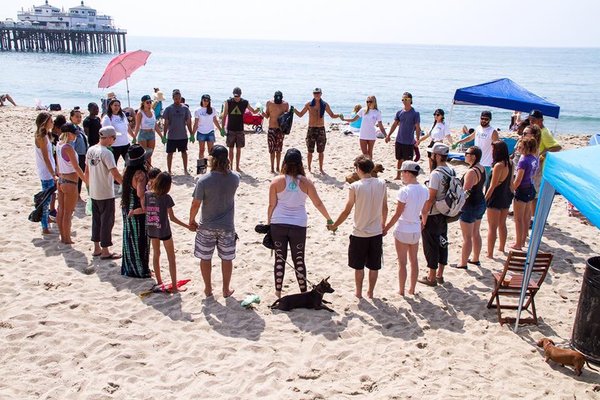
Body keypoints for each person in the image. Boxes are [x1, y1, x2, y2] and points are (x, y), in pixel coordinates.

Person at [268, 148, 334, 299]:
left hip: (278, 223)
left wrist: (268, 224)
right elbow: (318, 203)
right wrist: (329, 219)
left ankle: (278, 292)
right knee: (299, 259)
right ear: (300, 164)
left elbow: (271, 205)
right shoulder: (306, 182)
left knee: (280, 259)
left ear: (284, 163)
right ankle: (303, 291)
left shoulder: (276, 181)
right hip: (298, 224)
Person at [329, 155, 387, 298]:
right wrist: (383, 224)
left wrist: (334, 225)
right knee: (374, 266)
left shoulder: (355, 186)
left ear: (359, 169)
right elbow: (385, 207)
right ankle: (370, 292)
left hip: (359, 233)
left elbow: (347, 210)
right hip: (376, 232)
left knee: (359, 266)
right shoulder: (382, 183)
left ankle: (359, 292)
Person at [189, 145, 240, 298]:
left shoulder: (203, 180)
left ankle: (208, 289)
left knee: (205, 258)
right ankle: (225, 289)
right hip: (227, 226)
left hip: (207, 225)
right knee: (226, 258)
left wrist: (191, 220)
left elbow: (195, 204)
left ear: (213, 159)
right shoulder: (235, 178)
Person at [138, 172, 189, 292]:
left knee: (156, 254)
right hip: (164, 230)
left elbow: (145, 210)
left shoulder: (147, 195)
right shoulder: (166, 198)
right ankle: (175, 288)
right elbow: (173, 218)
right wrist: (187, 226)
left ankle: (159, 282)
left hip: (152, 228)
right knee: (171, 258)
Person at [383, 161, 429, 296]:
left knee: (402, 263)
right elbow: (425, 211)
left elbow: (398, 213)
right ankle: (412, 289)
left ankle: (402, 290)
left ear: (408, 173)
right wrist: (423, 224)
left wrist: (386, 228)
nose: (401, 175)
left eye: (402, 172)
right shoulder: (424, 189)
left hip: (403, 228)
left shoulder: (405, 190)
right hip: (415, 229)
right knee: (414, 261)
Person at [85, 126, 123, 259]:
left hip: (94, 191)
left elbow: (87, 171)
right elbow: (115, 173)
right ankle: (105, 250)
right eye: (113, 137)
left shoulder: (91, 150)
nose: (114, 140)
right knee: (107, 221)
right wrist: (126, 184)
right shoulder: (107, 153)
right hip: (105, 192)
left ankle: (96, 248)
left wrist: (88, 186)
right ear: (107, 138)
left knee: (96, 221)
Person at [419, 143, 453, 287]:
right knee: (443, 242)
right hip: (445, 212)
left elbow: (431, 198)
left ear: (437, 156)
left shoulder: (436, 174)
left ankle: (431, 277)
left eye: (431, 155)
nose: (430, 157)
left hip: (434, 213)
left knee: (431, 245)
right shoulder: (451, 170)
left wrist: (423, 216)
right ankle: (440, 274)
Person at [293, 88, 341, 174]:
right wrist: (293, 110)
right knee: (310, 150)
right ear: (313, 94)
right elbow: (300, 115)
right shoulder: (309, 104)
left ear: (321, 94)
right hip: (311, 129)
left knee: (321, 151)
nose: (317, 95)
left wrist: (339, 115)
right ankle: (309, 167)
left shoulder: (325, 105)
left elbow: (332, 115)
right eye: (315, 93)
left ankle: (321, 168)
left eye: (318, 93)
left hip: (321, 129)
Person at [120, 145, 150, 278]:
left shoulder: (127, 171)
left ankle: (130, 267)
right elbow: (140, 193)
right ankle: (140, 269)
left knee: (129, 237)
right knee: (140, 239)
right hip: (137, 209)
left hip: (127, 206)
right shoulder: (140, 175)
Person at [56, 123, 88, 244]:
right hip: (70, 181)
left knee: (61, 210)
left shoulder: (59, 145)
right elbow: (76, 167)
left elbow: (58, 164)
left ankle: (63, 236)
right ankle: (67, 238)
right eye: (74, 134)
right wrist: (85, 181)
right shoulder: (68, 147)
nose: (75, 136)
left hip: (62, 179)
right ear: (69, 134)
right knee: (68, 213)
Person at [455, 146, 486, 269]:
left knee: (467, 237)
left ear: (473, 157)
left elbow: (465, 192)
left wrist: (457, 205)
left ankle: (463, 263)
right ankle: (475, 258)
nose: (464, 155)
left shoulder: (471, 172)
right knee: (476, 233)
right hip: (480, 202)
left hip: (470, 206)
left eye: (466, 153)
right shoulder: (481, 167)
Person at [484, 140, 513, 258]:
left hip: (496, 197)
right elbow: (511, 182)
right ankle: (501, 247)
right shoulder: (510, 163)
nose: (491, 151)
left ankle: (490, 254)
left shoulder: (498, 165)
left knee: (492, 227)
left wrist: (484, 199)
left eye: (493, 149)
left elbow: (493, 185)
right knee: (502, 224)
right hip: (505, 195)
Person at [454, 111, 499, 184]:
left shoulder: (492, 131)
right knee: (474, 184)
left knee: (484, 184)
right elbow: (470, 137)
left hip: (487, 163)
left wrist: (495, 160)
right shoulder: (478, 128)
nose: (483, 120)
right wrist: (459, 141)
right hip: (475, 162)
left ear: (490, 120)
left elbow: (497, 147)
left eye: (486, 119)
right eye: (482, 118)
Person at [385, 92, 421, 180]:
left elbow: (417, 127)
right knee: (399, 159)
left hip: (409, 141)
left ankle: (409, 177)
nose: (404, 101)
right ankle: (398, 176)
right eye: (403, 99)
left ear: (410, 100)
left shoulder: (415, 113)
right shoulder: (399, 112)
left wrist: (418, 139)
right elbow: (394, 124)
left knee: (408, 161)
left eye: (406, 99)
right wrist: (388, 135)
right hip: (399, 140)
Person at [221, 87, 258, 172]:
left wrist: (259, 108)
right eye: (235, 96)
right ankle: (230, 166)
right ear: (233, 94)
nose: (236, 98)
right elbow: (225, 115)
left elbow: (253, 111)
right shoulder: (228, 102)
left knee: (238, 148)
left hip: (240, 129)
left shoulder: (245, 102)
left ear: (240, 95)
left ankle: (237, 166)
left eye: (238, 96)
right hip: (230, 128)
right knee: (230, 148)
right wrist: (222, 128)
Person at [511, 137, 538, 250]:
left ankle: (518, 243)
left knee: (518, 219)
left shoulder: (523, 160)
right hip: (530, 187)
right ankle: (522, 241)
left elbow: (518, 180)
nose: (518, 148)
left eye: (521, 147)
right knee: (526, 217)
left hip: (522, 189)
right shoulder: (533, 158)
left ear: (527, 148)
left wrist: (511, 190)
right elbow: (534, 173)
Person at [34, 112, 57, 235]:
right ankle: (44, 226)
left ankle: (47, 218)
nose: (52, 123)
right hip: (45, 172)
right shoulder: (41, 137)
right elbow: (46, 158)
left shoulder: (47, 135)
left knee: (51, 195)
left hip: (49, 170)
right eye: (51, 121)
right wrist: (53, 173)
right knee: (46, 200)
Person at [163, 89, 194, 175]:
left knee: (184, 152)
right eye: (176, 98)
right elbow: (166, 123)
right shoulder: (168, 109)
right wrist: (164, 135)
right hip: (172, 136)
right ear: (173, 98)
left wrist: (191, 134)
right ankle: (169, 170)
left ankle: (185, 169)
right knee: (170, 153)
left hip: (182, 135)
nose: (177, 100)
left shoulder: (185, 108)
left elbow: (188, 122)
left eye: (179, 98)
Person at [262, 91, 290, 173]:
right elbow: (267, 116)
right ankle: (272, 168)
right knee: (271, 149)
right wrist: (262, 113)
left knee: (279, 149)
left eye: (279, 98)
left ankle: (278, 167)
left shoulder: (285, 104)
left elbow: (287, 118)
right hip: (271, 128)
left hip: (280, 130)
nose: (278, 100)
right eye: (276, 98)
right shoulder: (269, 103)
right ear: (274, 97)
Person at [101, 98, 133, 166]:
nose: (117, 107)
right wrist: (108, 144)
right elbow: (106, 132)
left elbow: (127, 127)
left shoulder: (122, 115)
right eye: (115, 105)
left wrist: (133, 136)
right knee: (113, 164)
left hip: (125, 143)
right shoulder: (107, 117)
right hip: (114, 145)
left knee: (129, 163)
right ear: (111, 106)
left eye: (118, 105)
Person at [192, 94, 223, 163]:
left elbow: (215, 121)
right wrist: (192, 134)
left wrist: (221, 130)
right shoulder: (198, 110)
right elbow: (196, 123)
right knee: (201, 150)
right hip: (201, 132)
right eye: (204, 100)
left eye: (207, 100)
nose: (206, 102)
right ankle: (201, 167)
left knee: (211, 151)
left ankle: (212, 166)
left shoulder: (212, 109)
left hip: (210, 132)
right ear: (202, 100)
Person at [134, 94, 163, 165]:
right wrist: (134, 137)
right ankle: (144, 170)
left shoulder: (152, 111)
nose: (149, 104)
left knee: (150, 154)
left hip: (151, 134)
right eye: (147, 102)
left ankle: (149, 170)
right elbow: (137, 126)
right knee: (144, 154)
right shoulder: (140, 113)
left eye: (150, 102)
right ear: (143, 103)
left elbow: (155, 125)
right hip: (143, 134)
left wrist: (161, 136)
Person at [70, 107, 88, 197]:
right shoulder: (71, 129)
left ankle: (78, 193)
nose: (79, 118)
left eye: (80, 117)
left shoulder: (79, 129)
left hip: (83, 154)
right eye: (76, 116)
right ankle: (75, 194)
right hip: (77, 155)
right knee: (77, 175)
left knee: (81, 174)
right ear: (71, 117)